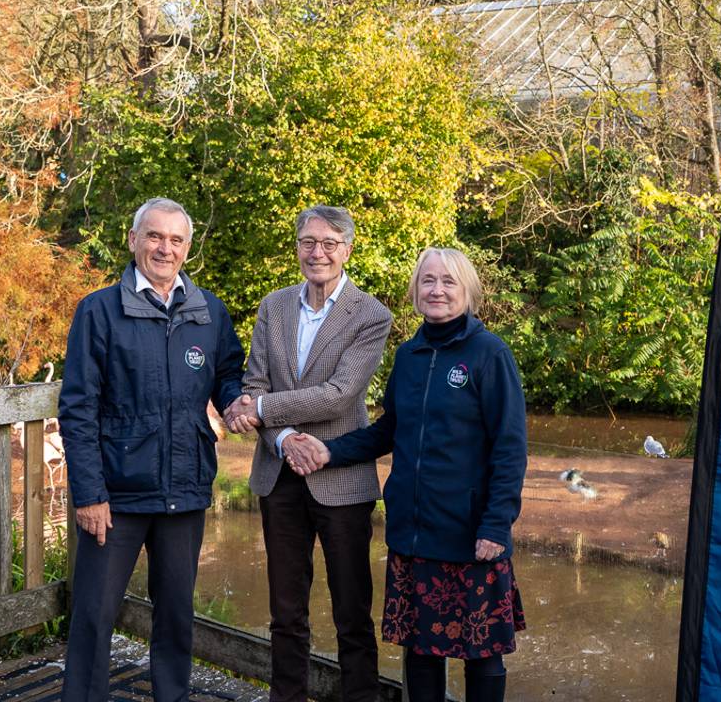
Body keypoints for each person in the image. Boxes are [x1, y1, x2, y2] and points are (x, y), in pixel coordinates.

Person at [290, 247, 528, 702]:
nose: (437, 290)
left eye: (448, 281)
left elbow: (510, 447)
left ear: (468, 291)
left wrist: (497, 523)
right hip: (415, 532)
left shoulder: (490, 354)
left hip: (473, 534)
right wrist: (328, 451)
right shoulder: (410, 354)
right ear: (415, 291)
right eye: (428, 281)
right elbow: (387, 431)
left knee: (482, 653)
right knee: (421, 650)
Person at [58, 197, 246, 702]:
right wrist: (89, 493)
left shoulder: (209, 312)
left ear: (188, 249)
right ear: (134, 240)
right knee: (95, 614)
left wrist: (236, 405)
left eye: (176, 239)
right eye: (155, 236)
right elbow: (77, 409)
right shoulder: (99, 311)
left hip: (185, 488)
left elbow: (228, 376)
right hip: (115, 496)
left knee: (176, 615)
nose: (165, 248)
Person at [222, 205, 392, 702]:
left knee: (352, 613)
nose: (317, 252)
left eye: (329, 243)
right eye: (308, 242)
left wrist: (264, 408)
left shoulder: (370, 315)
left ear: (348, 250)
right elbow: (253, 379)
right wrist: (282, 438)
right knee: (286, 612)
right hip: (279, 475)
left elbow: (340, 394)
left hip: (341, 477)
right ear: (297, 245)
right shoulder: (273, 306)